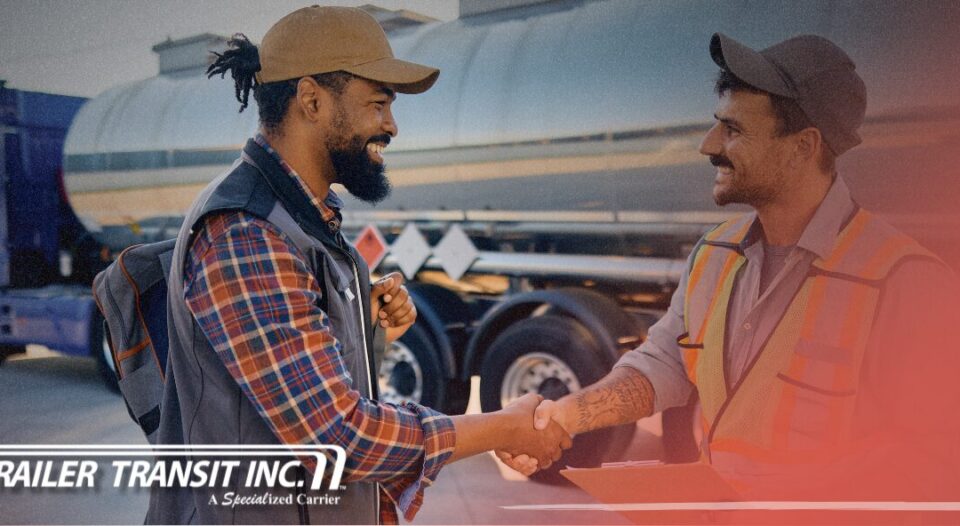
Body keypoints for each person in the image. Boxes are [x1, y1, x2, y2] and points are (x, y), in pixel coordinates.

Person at [153, 6, 570, 525]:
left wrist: (363, 330)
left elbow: (305, 390)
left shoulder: (308, 219)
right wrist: (496, 428)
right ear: (311, 100)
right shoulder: (247, 233)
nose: (391, 126)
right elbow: (337, 438)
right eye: (377, 104)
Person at [501, 32, 960, 501]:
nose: (708, 145)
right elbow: (666, 364)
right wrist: (564, 415)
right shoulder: (714, 254)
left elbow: (940, 458)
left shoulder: (906, 282)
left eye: (734, 130)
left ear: (803, 146)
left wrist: (782, 500)